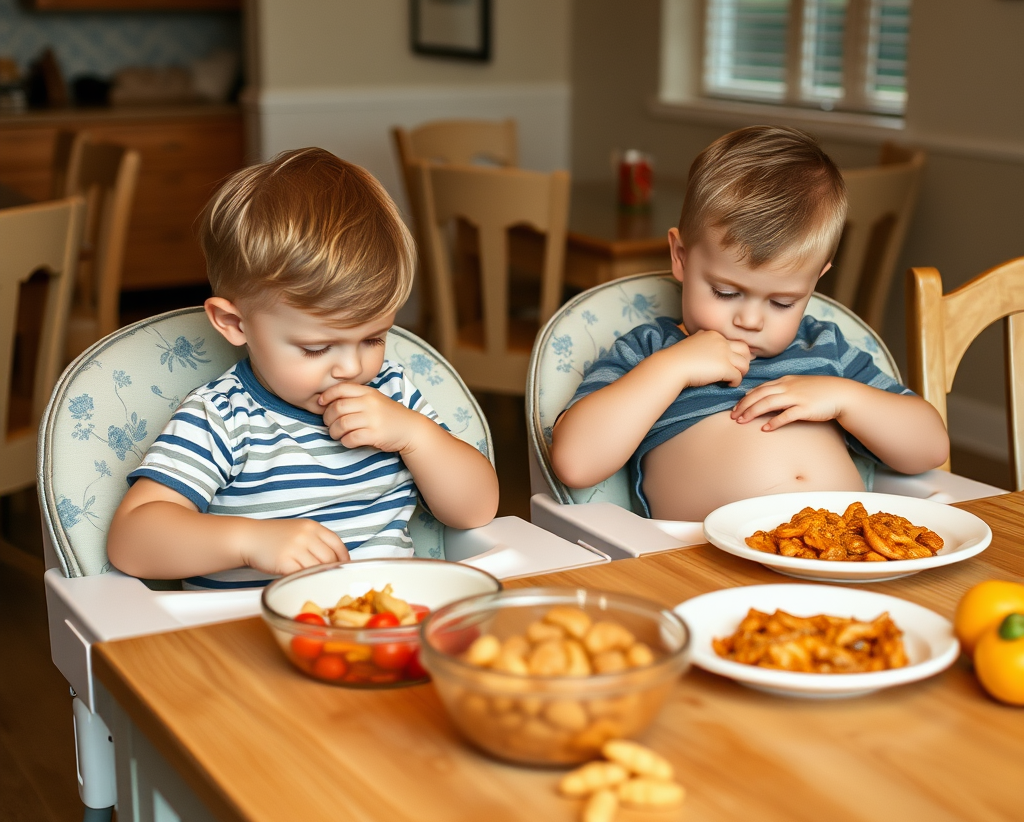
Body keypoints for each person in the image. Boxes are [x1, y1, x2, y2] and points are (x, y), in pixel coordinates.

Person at [107, 148, 499, 588]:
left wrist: (416, 436)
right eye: (317, 348)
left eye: (373, 338)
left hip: (386, 615)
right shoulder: (222, 417)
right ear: (235, 323)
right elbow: (131, 540)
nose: (351, 367)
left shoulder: (393, 393)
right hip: (247, 624)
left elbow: (476, 510)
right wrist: (248, 541)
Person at [549, 126, 949, 521]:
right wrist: (672, 369)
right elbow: (575, 463)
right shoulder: (650, 350)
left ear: (815, 281)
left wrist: (847, 399)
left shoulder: (824, 348)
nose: (750, 320)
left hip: (842, 548)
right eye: (725, 292)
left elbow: (931, 448)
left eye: (782, 302)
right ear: (681, 257)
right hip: (708, 555)